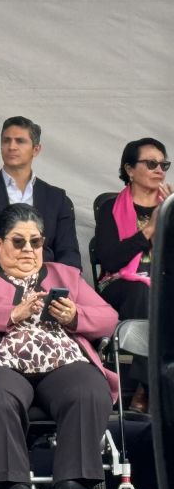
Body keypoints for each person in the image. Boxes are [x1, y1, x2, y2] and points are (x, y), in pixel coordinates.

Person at [0, 203, 118, 489]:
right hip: (1, 364)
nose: (28, 249)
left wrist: (76, 315)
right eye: (18, 241)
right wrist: (10, 313)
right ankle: (14, 485)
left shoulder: (66, 274)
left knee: (89, 388)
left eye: (35, 242)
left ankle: (73, 483)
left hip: (63, 362)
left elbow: (108, 317)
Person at [94, 138, 171, 414]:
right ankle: (147, 388)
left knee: (158, 293)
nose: (159, 169)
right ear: (129, 169)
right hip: (120, 286)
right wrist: (149, 230)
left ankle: (146, 387)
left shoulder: (171, 208)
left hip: (164, 283)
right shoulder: (110, 209)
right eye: (151, 163)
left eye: (164, 164)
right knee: (143, 291)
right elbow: (111, 259)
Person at [0, 116, 81, 269]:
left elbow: (69, 255)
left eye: (20, 141)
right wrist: (12, 268)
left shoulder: (57, 199)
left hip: (44, 281)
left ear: (36, 149)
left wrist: (44, 275)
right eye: (6, 140)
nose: (11, 146)